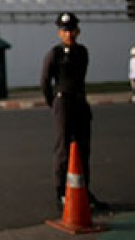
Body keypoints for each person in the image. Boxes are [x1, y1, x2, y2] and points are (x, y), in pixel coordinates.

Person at [40, 12, 104, 210]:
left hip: (79, 102)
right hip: (63, 102)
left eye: (72, 30)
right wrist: (54, 104)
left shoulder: (82, 52)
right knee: (63, 148)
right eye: (65, 31)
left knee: (83, 148)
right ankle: (61, 192)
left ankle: (83, 189)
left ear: (78, 31)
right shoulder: (54, 54)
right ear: (60, 33)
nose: (69, 34)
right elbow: (44, 82)